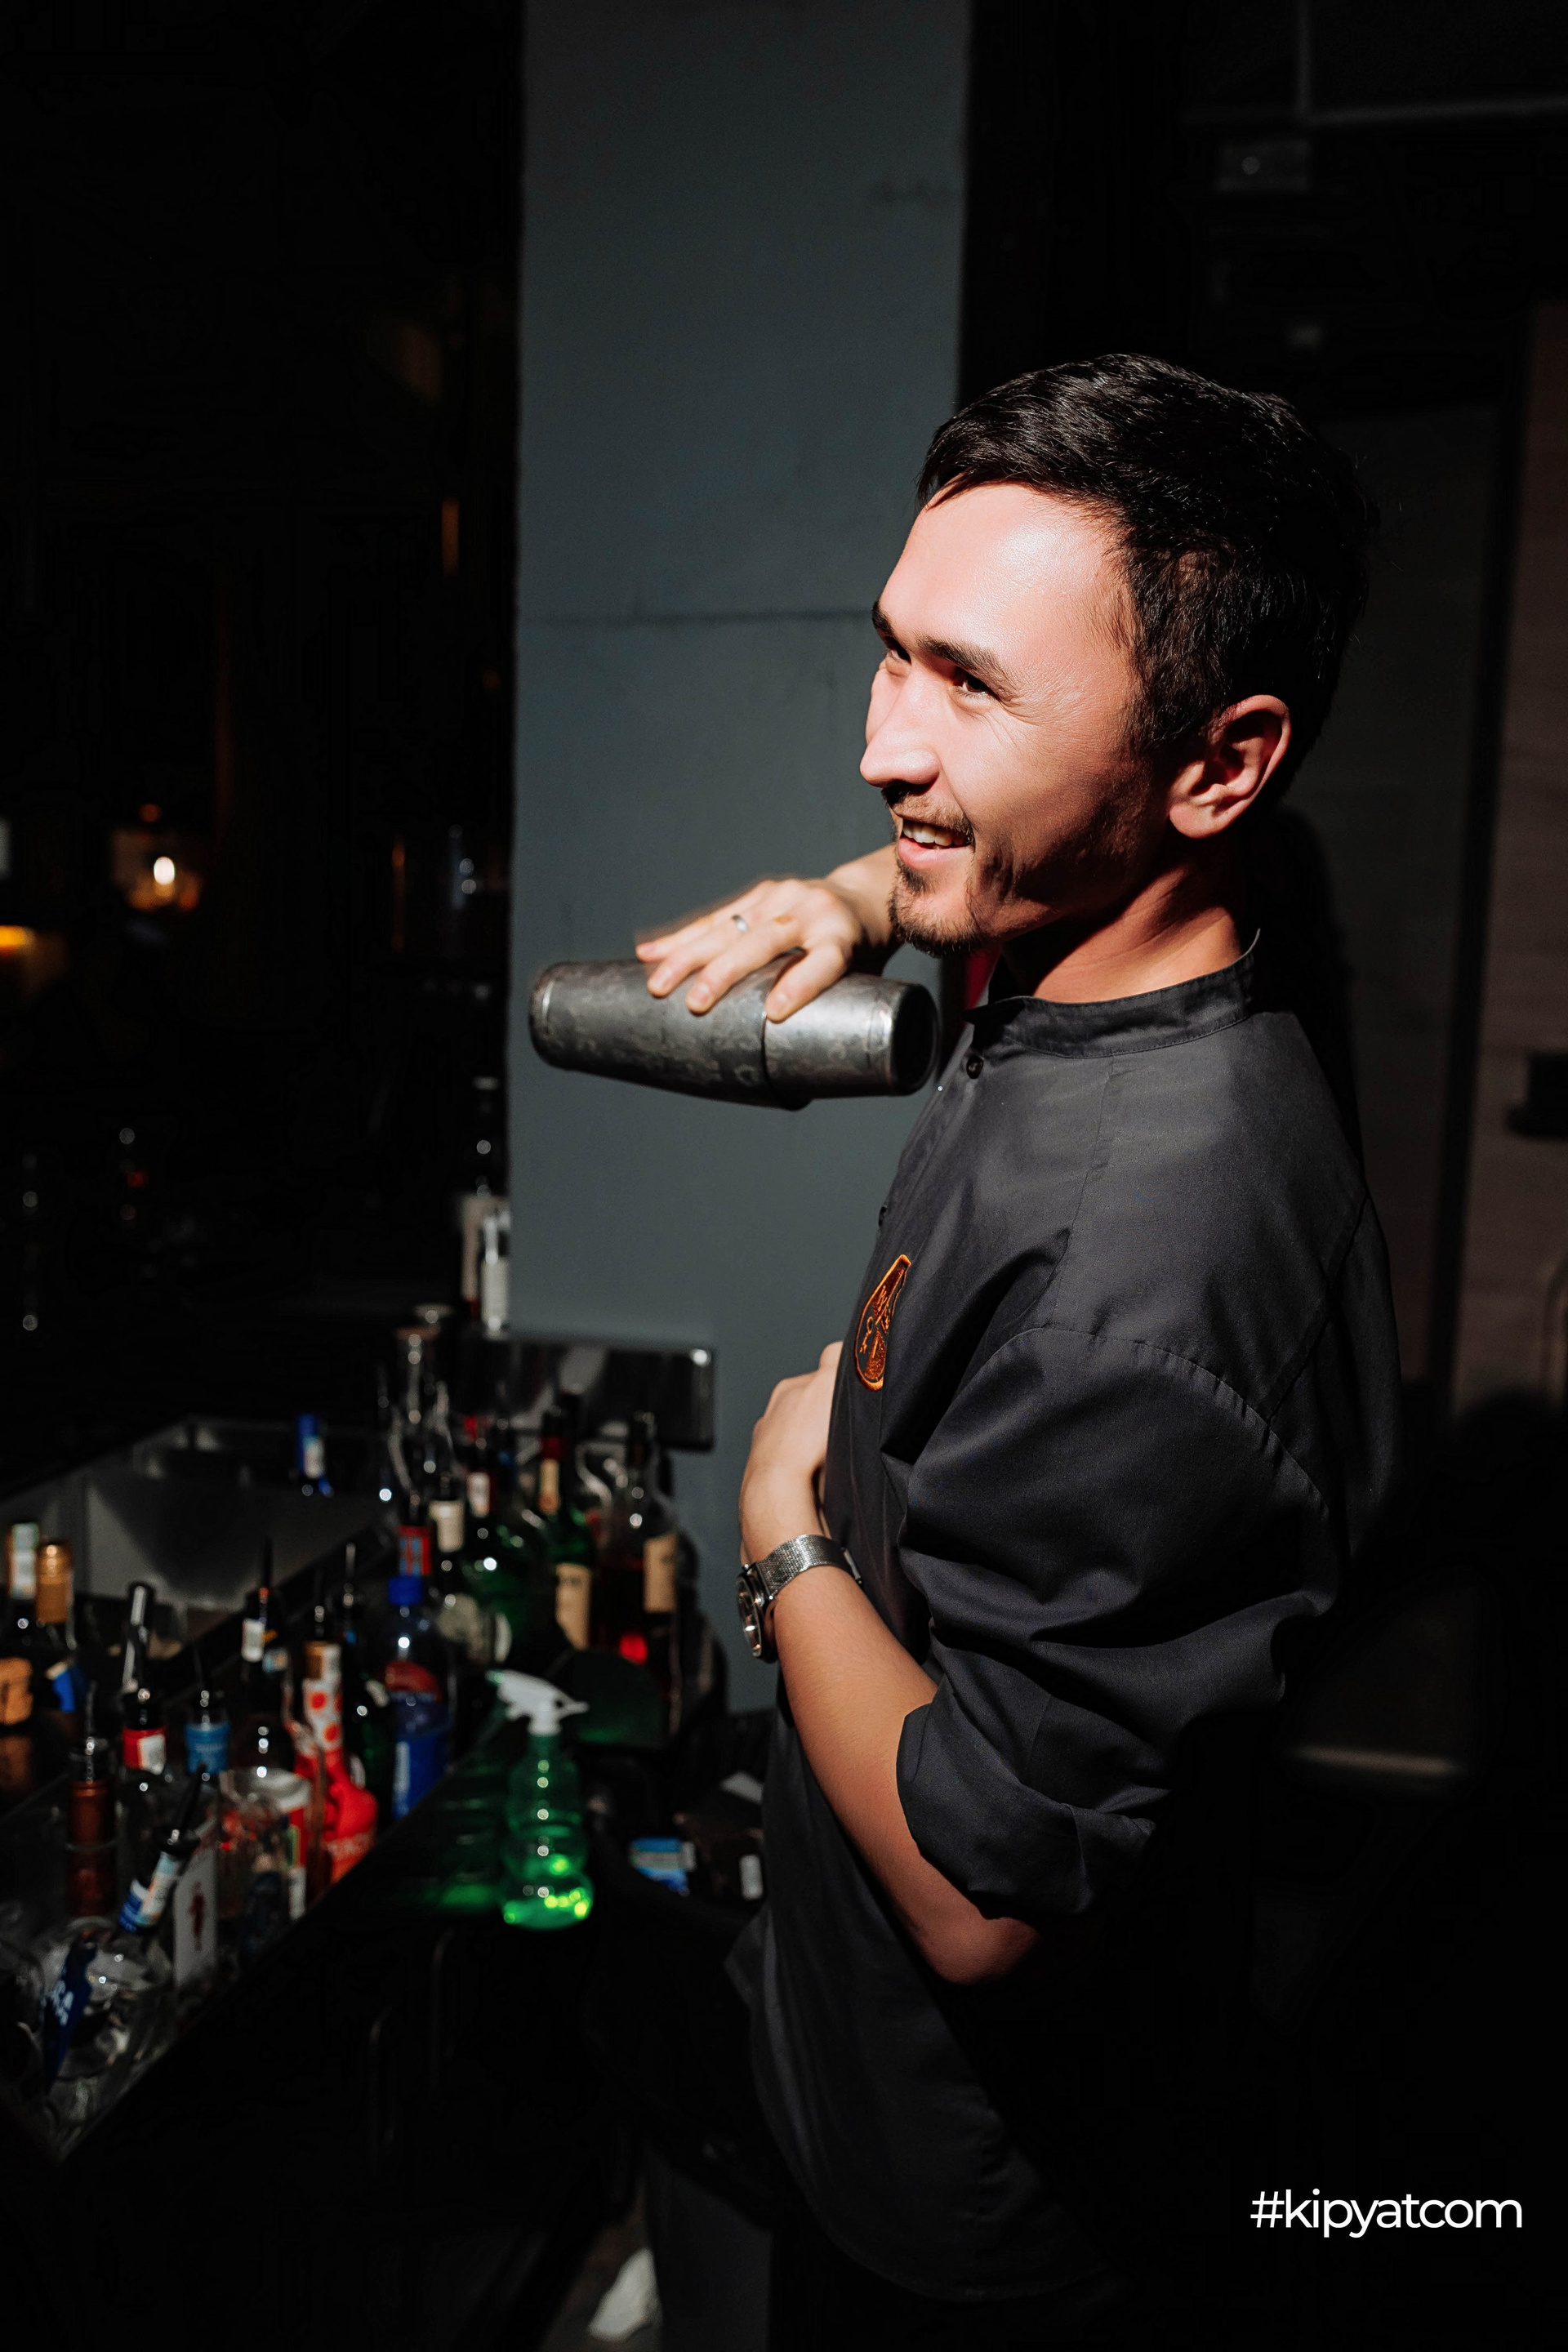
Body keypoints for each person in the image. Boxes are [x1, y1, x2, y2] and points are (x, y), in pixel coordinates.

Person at [636, 356, 1403, 2346]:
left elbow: (986, 1893)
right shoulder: (1111, 926)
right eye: (893, 650)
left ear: (1221, 769)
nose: (881, 740)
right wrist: (856, 900)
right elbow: (971, 845)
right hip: (841, 2058)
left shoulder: (1142, 1284)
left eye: (970, 686)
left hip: (966, 2215)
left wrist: (785, 1532)